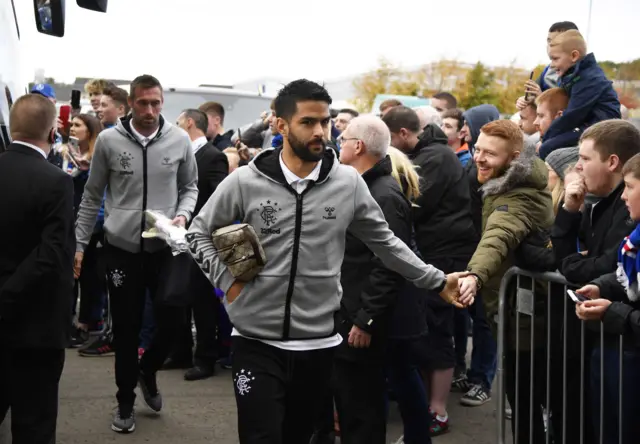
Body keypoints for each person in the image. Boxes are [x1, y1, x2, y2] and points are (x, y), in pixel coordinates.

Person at [186, 79, 468, 444]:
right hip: (256, 342)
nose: (320, 131)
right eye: (308, 122)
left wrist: (436, 279)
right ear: (281, 125)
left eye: (324, 121)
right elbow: (198, 233)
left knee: (299, 436)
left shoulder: (347, 183)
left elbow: (387, 244)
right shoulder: (245, 180)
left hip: (317, 345)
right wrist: (228, 281)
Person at [74, 74, 198, 433]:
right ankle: (125, 401)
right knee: (126, 330)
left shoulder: (178, 141)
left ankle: (149, 370)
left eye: (156, 103)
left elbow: (190, 187)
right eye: (143, 103)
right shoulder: (110, 141)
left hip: (165, 247)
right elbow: (92, 196)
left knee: (174, 323)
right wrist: (79, 245)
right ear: (130, 104)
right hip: (122, 250)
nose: (150, 110)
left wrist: (184, 213)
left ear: (163, 103)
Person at [456, 120, 554, 443]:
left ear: (513, 159)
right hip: (520, 312)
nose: (478, 158)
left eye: (489, 154)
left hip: (526, 318)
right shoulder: (511, 180)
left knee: (525, 402)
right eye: (477, 149)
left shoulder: (517, 195)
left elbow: (498, 235)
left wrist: (474, 274)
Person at [0, 94, 75, 444]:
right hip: (35, 325)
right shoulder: (55, 181)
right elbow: (53, 252)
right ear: (51, 131)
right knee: (34, 423)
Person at [333, 115, 413, 443]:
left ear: (358, 146)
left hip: (361, 320)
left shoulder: (384, 195)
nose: (339, 143)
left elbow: (390, 264)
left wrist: (366, 319)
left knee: (362, 409)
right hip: (348, 311)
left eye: (343, 138)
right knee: (349, 403)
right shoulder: (362, 186)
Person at [574, 152, 640, 444]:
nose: (624, 197)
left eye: (630, 186)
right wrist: (601, 287)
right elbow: (627, 277)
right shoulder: (636, 237)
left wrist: (613, 312)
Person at [168, 108, 229, 380]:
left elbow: (218, 200)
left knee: (202, 301)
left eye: (179, 122)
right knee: (177, 297)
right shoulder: (178, 154)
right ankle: (180, 352)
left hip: (200, 238)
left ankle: (205, 357)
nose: (175, 126)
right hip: (174, 237)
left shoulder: (213, 157)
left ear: (190, 123)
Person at [538, 30, 621, 159]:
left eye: (555, 59)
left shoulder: (589, 79)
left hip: (602, 129)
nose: (552, 65)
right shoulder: (572, 76)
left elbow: (571, 116)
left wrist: (546, 139)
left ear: (574, 56)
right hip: (587, 125)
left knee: (546, 148)